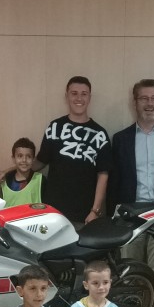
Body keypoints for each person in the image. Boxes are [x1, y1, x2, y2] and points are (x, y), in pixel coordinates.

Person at [110, 79, 154, 274]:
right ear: (135, 102)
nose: (150, 104)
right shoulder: (121, 139)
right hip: (130, 215)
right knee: (129, 271)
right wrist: (112, 218)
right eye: (144, 98)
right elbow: (114, 182)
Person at [36, 76, 112, 225]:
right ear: (67, 96)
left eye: (84, 94)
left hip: (84, 215)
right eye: (74, 93)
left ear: (89, 97)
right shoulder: (55, 127)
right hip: (52, 212)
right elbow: (39, 162)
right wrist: (9, 171)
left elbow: (103, 174)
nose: (79, 98)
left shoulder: (100, 134)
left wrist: (95, 210)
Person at [0, 137, 44, 208]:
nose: (24, 160)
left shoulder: (40, 180)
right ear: (13, 159)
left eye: (28, 156)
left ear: (33, 159)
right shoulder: (5, 181)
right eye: (20, 156)